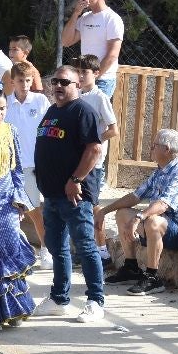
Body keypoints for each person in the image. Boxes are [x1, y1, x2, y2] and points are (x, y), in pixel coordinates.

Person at [31, 65, 105, 322]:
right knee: (57, 248)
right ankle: (59, 298)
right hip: (51, 195)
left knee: (85, 247)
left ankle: (96, 300)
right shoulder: (52, 110)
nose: (59, 86)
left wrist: (76, 179)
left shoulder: (83, 111)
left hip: (74, 195)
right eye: (55, 82)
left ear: (77, 85)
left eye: (65, 82)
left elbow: (94, 150)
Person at [98, 129, 178, 295]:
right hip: (163, 224)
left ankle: (152, 277)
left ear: (167, 149)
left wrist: (139, 217)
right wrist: (104, 211)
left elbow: (163, 205)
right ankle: (131, 268)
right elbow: (135, 196)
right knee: (123, 214)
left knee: (152, 221)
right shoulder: (161, 170)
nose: (151, 149)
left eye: (154, 146)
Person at [0, 81, 37, 328]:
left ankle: (16, 308)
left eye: (2, 108)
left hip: (8, 199)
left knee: (12, 247)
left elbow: (18, 168)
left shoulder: (11, 131)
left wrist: (20, 198)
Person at [70, 54, 120, 266]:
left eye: (85, 72)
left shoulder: (99, 97)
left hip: (94, 163)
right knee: (79, 205)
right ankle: (86, 249)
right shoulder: (77, 95)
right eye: (78, 71)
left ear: (96, 74)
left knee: (93, 205)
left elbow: (113, 129)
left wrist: (92, 140)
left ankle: (102, 251)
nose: (80, 76)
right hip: (78, 159)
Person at [5, 60, 52, 269]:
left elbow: (50, 129)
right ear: (12, 82)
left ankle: (46, 249)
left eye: (28, 80)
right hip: (15, 165)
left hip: (39, 162)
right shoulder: (5, 104)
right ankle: (30, 251)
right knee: (20, 209)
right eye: (20, 80)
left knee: (37, 209)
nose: (24, 84)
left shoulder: (40, 101)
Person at [61, 0, 124, 97]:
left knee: (95, 115)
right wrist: (76, 13)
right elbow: (65, 41)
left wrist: (94, 76)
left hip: (103, 79)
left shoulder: (112, 19)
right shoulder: (85, 17)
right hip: (84, 78)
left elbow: (112, 55)